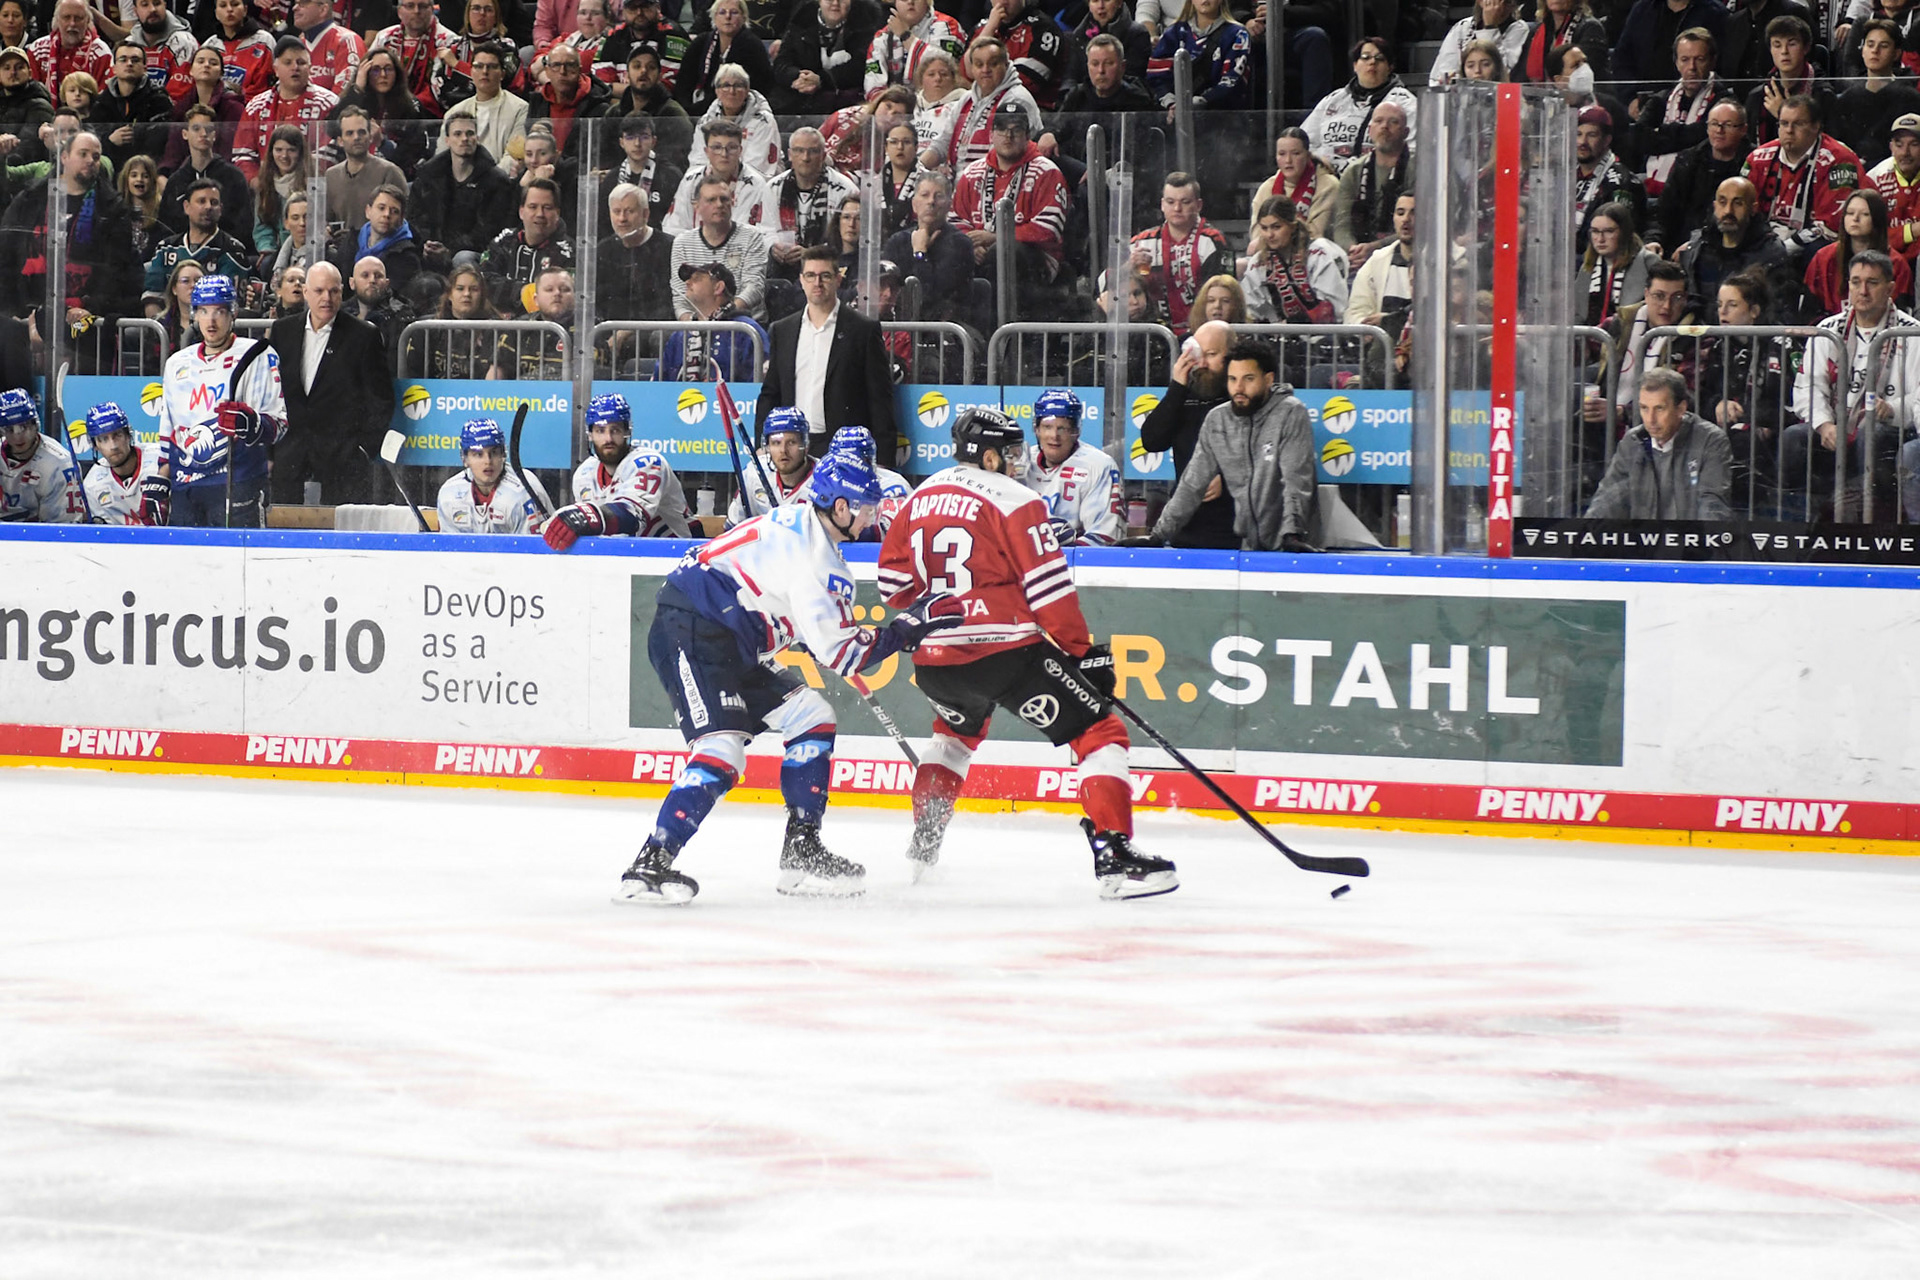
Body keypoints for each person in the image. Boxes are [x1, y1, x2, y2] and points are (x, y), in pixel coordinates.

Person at [618, 448, 960, 903]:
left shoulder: (799, 520)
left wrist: (813, 633)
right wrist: (904, 630)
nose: (870, 518)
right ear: (840, 507)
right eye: (864, 508)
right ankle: (648, 865)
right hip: (693, 627)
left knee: (812, 716)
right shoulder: (819, 560)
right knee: (722, 749)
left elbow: (777, 597)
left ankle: (802, 847)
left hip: (727, 630)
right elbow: (843, 654)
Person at [874, 406, 1176, 898]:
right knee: (1099, 728)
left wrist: (941, 608)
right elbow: (1048, 589)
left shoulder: (920, 495)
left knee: (952, 738)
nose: (1019, 462)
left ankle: (924, 848)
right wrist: (1081, 653)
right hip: (1006, 654)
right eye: (1011, 453)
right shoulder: (1017, 499)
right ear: (988, 455)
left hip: (935, 664)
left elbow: (892, 585)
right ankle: (1115, 858)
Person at [1148, 340, 1316, 552]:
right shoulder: (1218, 419)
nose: (1238, 388)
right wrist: (1157, 536)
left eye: (1248, 379)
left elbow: (1296, 479)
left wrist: (1293, 534)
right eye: (1232, 379)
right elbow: (1191, 484)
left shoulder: (1290, 413)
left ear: (1268, 379)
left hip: (1290, 546)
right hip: (1247, 547)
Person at [1793, 250, 1920, 518]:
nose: (1862, 291)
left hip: (1891, 429)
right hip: (1836, 425)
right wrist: (1824, 424)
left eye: (1872, 283)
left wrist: (1894, 409)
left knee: (1870, 434)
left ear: (1891, 289)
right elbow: (1808, 387)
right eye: (1855, 282)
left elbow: (1919, 397)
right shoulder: (1828, 330)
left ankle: (1868, 522)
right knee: (1794, 439)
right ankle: (1801, 525)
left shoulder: (1912, 333)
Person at [155, 274, 286, 527]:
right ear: (194, 314)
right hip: (186, 486)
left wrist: (253, 424)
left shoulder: (256, 354)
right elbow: (168, 429)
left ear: (233, 313)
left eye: (219, 311)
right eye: (204, 311)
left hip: (237, 482)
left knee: (239, 564)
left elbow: (279, 424)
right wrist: (160, 478)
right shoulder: (177, 363)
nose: (211, 320)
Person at [269, 259, 394, 504]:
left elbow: (380, 398)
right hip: (290, 451)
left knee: (341, 530)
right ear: (306, 292)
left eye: (334, 291)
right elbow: (270, 392)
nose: (326, 297)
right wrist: (271, 450)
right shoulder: (282, 331)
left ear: (341, 292)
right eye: (319, 291)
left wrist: (364, 448)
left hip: (343, 456)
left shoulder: (364, 335)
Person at [758, 242, 898, 462]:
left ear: (838, 279)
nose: (817, 283)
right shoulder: (782, 330)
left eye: (825, 276)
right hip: (793, 449)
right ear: (801, 280)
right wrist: (763, 443)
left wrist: (884, 461)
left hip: (845, 451)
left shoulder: (863, 330)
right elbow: (771, 393)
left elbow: (880, 400)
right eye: (811, 276)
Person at [951, 101, 1067, 308]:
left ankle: (1005, 335)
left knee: (1004, 252)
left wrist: (997, 238)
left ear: (1027, 136)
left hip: (1037, 259)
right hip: (981, 253)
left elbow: (1049, 228)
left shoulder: (1047, 171)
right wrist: (971, 245)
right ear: (991, 134)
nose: (1008, 136)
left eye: (1016, 130)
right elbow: (955, 220)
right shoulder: (971, 173)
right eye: (1002, 128)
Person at [543, 391, 691, 547]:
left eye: (615, 430)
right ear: (590, 435)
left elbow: (631, 517)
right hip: (627, 558)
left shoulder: (648, 463)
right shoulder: (583, 474)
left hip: (677, 554)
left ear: (627, 432)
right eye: (600, 430)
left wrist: (588, 516)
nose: (608, 439)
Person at [1583, 367, 1733, 520]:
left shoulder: (1711, 441)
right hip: (1644, 541)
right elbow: (1607, 499)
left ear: (1681, 408)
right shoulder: (1633, 441)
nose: (1650, 419)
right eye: (1644, 408)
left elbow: (1712, 505)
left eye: (1659, 408)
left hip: (1689, 540)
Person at [1742, 95, 1862, 252]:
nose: (1789, 131)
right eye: (1784, 124)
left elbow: (1832, 225)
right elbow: (1741, 207)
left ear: (1816, 126)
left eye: (1798, 124)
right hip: (1765, 240)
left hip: (1814, 245)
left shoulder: (1840, 160)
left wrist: (1784, 249)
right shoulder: (1758, 158)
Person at [1627, 27, 1732, 204]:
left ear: (1712, 61)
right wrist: (1687, 135)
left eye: (1699, 59)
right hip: (1657, 188)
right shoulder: (1662, 98)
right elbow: (1640, 137)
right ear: (1676, 62)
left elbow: (1707, 139)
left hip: (1703, 189)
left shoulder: (1724, 100)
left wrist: (1663, 133)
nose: (1691, 67)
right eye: (1685, 59)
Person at [412, 111, 516, 270]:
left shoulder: (496, 181)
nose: (464, 139)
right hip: (432, 248)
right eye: (457, 134)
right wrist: (428, 244)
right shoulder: (429, 177)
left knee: (463, 258)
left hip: (474, 253)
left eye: (470, 133)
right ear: (447, 140)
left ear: (477, 139)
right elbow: (415, 218)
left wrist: (449, 250)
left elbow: (489, 231)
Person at [1676, 176, 1794, 316]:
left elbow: (1775, 311)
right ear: (1715, 206)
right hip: (1699, 333)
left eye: (1738, 203)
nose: (1728, 211)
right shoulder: (1697, 249)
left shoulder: (1770, 253)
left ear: (1753, 208)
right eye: (1722, 202)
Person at [1300, 37, 1417, 175]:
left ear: (1390, 67)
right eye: (1365, 57)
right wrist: (1321, 161)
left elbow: (1414, 151)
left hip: (1378, 178)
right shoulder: (1333, 100)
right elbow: (1303, 143)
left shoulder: (1405, 103)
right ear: (1355, 65)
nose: (1372, 62)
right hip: (1326, 177)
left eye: (1379, 58)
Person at [1022, 388, 1123, 546]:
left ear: (1076, 431)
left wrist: (1061, 553)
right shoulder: (1020, 463)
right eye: (1048, 427)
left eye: (1063, 428)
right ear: (1037, 429)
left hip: (1076, 563)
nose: (1054, 436)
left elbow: (1103, 536)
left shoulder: (1098, 465)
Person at [142, 177, 254, 316]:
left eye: (214, 203)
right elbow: (153, 297)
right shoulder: (166, 248)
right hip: (170, 329)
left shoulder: (233, 251)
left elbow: (229, 305)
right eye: (201, 201)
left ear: (220, 209)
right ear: (186, 207)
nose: (208, 207)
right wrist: (162, 332)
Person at [232, 36, 339, 180]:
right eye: (288, 62)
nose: (295, 67)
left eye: (301, 62)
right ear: (275, 69)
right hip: (265, 190)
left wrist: (302, 181)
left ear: (310, 68)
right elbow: (242, 154)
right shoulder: (255, 107)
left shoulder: (329, 103)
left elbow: (332, 153)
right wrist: (259, 183)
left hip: (312, 187)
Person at [668, 170, 770, 319]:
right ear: (696, 206)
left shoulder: (751, 236)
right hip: (698, 325)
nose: (719, 205)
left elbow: (754, 287)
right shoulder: (682, 243)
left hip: (742, 323)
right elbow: (680, 298)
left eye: (724, 199)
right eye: (711, 200)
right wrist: (695, 324)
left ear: (732, 202)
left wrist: (723, 315)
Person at [1653, 98, 1749, 256]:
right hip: (1679, 246)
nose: (1719, 130)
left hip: (1729, 247)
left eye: (1728, 125)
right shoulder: (1689, 159)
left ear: (1743, 130)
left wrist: (1696, 244)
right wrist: (1654, 240)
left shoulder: (1753, 163)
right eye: (1714, 124)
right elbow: (1664, 211)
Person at [1329, 98, 1412, 272]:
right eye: (1379, 121)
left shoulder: (1420, 168)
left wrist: (1376, 248)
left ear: (1406, 132)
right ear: (1370, 130)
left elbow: (1422, 226)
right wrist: (1353, 251)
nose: (1384, 127)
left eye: (1393, 122)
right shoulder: (1354, 171)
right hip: (1359, 260)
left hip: (1407, 257)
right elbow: (1342, 225)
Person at [882, 170, 973, 326]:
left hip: (943, 331)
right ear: (914, 204)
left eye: (938, 196)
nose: (931, 201)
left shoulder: (960, 244)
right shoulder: (897, 242)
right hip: (899, 328)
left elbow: (930, 298)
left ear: (949, 205)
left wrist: (920, 253)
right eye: (924, 195)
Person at [1806, 188, 1914, 314]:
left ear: (1877, 219)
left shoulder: (1896, 264)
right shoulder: (1823, 258)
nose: (1855, 219)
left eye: (1865, 214)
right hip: (1829, 330)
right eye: (1850, 213)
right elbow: (1809, 314)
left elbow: (1899, 316)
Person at [941, 38, 1042, 172]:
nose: (985, 70)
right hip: (961, 181)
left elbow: (1011, 154)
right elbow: (942, 143)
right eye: (979, 64)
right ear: (971, 69)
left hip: (999, 180)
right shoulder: (966, 99)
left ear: (1006, 65)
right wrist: (918, 168)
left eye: (993, 64)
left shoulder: (1017, 100)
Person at [1831, 19, 1920, 169]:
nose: (1875, 51)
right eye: (1870, 45)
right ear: (1862, 50)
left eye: (1883, 46)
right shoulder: (1847, 98)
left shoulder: (1910, 98)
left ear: (1897, 53)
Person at [663, 115, 775, 235]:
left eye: (731, 147)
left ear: (740, 150)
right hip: (694, 251)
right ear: (706, 151)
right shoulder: (690, 180)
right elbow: (673, 227)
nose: (724, 154)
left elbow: (748, 234)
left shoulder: (756, 184)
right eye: (716, 147)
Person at [480, 177, 574, 313]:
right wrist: (524, 291)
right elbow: (483, 280)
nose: (540, 214)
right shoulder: (503, 241)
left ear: (557, 213)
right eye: (533, 207)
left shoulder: (569, 252)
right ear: (521, 211)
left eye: (547, 208)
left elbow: (561, 299)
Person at [161, 104, 252, 242]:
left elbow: (243, 224)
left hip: (225, 251)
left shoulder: (233, 176)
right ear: (185, 134)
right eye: (196, 129)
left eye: (208, 129)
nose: (203, 134)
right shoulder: (176, 181)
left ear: (214, 135)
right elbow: (166, 225)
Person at [660, 258, 764, 378]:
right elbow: (658, 383)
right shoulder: (679, 335)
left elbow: (760, 384)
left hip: (731, 397)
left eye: (697, 279)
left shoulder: (746, 331)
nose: (687, 283)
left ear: (718, 287)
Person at [436, 416, 541, 533]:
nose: (488, 461)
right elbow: (449, 549)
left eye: (494, 452)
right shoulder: (449, 494)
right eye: (478, 454)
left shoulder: (522, 493)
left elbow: (530, 548)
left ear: (503, 455)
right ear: (464, 459)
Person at [87, 38, 172, 173]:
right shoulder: (101, 102)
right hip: (110, 171)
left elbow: (159, 143)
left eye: (135, 60)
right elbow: (90, 139)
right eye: (123, 59)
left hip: (147, 170)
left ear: (145, 68)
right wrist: (110, 141)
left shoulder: (158, 100)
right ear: (114, 68)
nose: (129, 64)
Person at [79, 400, 169, 525]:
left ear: (128, 435)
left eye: (117, 435)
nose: (113, 445)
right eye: (104, 439)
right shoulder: (92, 484)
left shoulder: (160, 461)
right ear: (95, 446)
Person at [1743, 15, 1830, 145]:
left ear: (1806, 48)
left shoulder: (1823, 94)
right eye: (1777, 45)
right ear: (1770, 50)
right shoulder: (1758, 96)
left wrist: (1783, 114)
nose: (1784, 51)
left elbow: (1829, 144)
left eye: (1792, 44)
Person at [678, 0, 775, 115]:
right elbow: (684, 80)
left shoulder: (752, 45)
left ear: (744, 17)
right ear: (714, 17)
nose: (728, 17)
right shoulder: (701, 42)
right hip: (697, 105)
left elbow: (760, 85)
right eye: (722, 12)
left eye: (734, 12)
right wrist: (686, 108)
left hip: (740, 108)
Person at [0, 388, 83, 522]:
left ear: (35, 423)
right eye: (10, 429)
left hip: (35, 538)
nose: (18, 436)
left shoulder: (60, 465)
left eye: (24, 426)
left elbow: (60, 530)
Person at [439, 40, 529, 162]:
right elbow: (442, 157)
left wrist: (491, 180)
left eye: (492, 67)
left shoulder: (520, 109)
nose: (485, 72)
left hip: (502, 179)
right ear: (471, 72)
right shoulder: (454, 112)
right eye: (479, 66)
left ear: (502, 74)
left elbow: (514, 158)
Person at [596, 179, 672, 322]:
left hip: (654, 333)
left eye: (629, 211)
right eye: (616, 212)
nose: (622, 218)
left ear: (645, 214)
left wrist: (630, 332)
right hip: (609, 334)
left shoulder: (669, 247)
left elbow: (667, 305)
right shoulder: (602, 251)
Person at [1573, 105, 1645, 257]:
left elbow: (1617, 241)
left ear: (1607, 140)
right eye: (1578, 134)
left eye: (1591, 135)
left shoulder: (1621, 182)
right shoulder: (1565, 174)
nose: (1582, 142)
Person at [726, 404, 814, 524]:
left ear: (805, 445)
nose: (783, 450)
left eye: (791, 442)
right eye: (776, 443)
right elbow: (732, 529)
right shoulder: (753, 474)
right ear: (767, 447)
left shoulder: (825, 480)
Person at [1249, 128, 1337, 244]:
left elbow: (1316, 235)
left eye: (1296, 153)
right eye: (1282, 154)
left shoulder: (1328, 186)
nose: (1288, 160)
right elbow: (1256, 234)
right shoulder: (1267, 187)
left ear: (1308, 155)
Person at [1583, 201, 1662, 326]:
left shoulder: (1649, 262)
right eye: (1595, 231)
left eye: (1609, 231)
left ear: (1624, 232)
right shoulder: (1587, 266)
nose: (1600, 239)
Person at [863, 0, 965, 98]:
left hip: (943, 101)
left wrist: (905, 36)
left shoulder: (948, 25)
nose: (910, 2)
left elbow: (943, 68)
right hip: (898, 105)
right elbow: (873, 85)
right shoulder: (882, 37)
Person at [1429, 0, 1528, 84]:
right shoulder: (1463, 27)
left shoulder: (1519, 29)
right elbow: (1440, 76)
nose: (1498, 7)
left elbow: (1502, 74)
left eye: (1504, 2)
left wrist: (1490, 28)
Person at [26, 0, 111, 97]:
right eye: (66, 18)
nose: (72, 23)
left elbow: (103, 101)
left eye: (78, 18)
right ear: (57, 20)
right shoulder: (38, 50)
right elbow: (31, 96)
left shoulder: (101, 53)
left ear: (88, 21)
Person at [291, 0, 362, 97]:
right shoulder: (295, 46)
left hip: (335, 111)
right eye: (296, 3)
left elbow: (345, 96)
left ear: (323, 9)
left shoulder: (346, 40)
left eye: (303, 3)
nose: (294, 8)